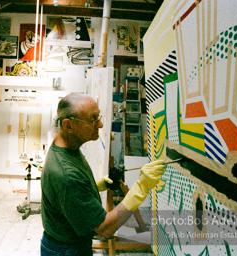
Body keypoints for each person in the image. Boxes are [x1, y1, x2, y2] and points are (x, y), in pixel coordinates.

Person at [40, 93, 165, 255]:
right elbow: (104, 229)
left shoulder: (65, 147)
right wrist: (141, 189)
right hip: (66, 250)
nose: (99, 124)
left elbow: (65, 196)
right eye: (92, 119)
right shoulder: (66, 174)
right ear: (68, 126)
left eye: (99, 117)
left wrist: (97, 185)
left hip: (65, 243)